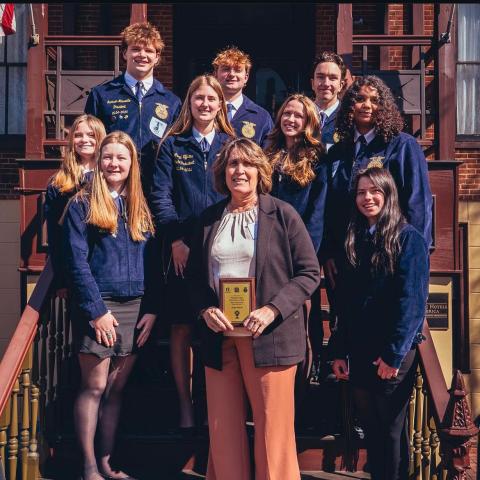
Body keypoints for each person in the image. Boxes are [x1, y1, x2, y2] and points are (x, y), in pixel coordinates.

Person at [187, 138, 320, 480]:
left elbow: (309, 273)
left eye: (247, 164)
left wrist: (272, 309)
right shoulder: (208, 219)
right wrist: (205, 309)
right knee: (223, 431)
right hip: (220, 339)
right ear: (223, 172)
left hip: (269, 338)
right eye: (233, 164)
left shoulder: (282, 214)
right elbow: (192, 281)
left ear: (260, 171)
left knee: (272, 434)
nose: (239, 171)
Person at [63, 131, 159, 480]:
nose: (114, 164)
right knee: (95, 387)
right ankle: (88, 466)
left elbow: (154, 262)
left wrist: (152, 308)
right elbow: (77, 262)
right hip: (99, 306)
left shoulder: (139, 204)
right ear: (99, 161)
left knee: (116, 389)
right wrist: (96, 310)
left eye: (121, 158)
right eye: (108, 157)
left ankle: (106, 461)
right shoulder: (81, 204)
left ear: (132, 164)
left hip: (136, 306)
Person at [149, 75, 235, 432]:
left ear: (220, 104)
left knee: (222, 327)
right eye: (198, 98)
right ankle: (186, 408)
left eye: (211, 99)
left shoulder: (232, 144)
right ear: (189, 103)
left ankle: (217, 407)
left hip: (224, 247)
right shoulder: (173, 145)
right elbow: (160, 197)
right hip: (183, 250)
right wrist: (176, 240)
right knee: (183, 326)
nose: (204, 104)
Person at [332, 167, 429, 480]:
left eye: (375, 191)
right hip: (360, 350)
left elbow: (411, 303)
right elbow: (345, 304)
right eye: (361, 192)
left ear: (388, 195)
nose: (367, 198)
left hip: (391, 353)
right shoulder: (355, 239)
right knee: (371, 430)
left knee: (389, 432)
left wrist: (394, 355)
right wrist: (338, 349)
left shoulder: (408, 239)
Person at [323, 75, 432, 295]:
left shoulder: (402, 145)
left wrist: (412, 255)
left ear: (384, 107)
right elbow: (330, 207)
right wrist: (329, 253)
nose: (367, 106)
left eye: (374, 100)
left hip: (389, 254)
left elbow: (418, 205)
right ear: (349, 105)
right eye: (360, 99)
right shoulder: (338, 151)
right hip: (347, 257)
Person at [85, 22, 181, 196]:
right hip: (112, 186)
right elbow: (91, 140)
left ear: (157, 57)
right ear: (125, 53)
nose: (142, 55)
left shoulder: (171, 101)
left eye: (149, 51)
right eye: (136, 49)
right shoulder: (101, 95)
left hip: (155, 187)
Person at [44, 114, 106, 297]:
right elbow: (55, 237)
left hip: (106, 269)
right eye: (78, 135)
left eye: (91, 135)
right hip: (76, 272)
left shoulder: (111, 176)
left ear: (100, 138)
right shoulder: (58, 183)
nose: (84, 140)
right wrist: (61, 280)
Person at [266, 93, 328, 252]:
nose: (290, 119)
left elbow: (317, 211)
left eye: (298, 116)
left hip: (298, 243)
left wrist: (308, 250)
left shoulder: (317, 159)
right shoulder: (267, 153)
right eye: (287, 113)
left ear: (308, 122)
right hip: (268, 240)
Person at [212, 46, 273, 147]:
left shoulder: (261, 117)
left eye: (237, 70)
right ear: (215, 75)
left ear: (246, 77)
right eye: (226, 69)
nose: (232, 74)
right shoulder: (204, 111)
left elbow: (269, 157)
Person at [311, 51, 347, 150]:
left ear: (341, 85)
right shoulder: (300, 115)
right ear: (312, 83)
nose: (326, 83)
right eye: (320, 77)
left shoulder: (349, 117)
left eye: (333, 78)